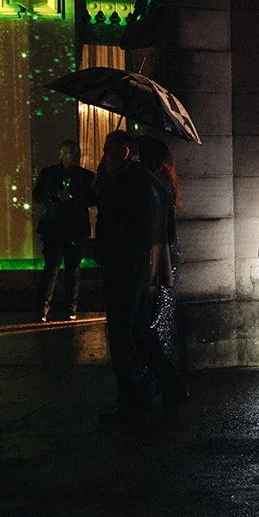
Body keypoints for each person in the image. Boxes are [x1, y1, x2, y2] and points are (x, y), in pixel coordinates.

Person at [94, 129, 181, 423]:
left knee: (123, 334)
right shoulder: (153, 182)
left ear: (124, 152)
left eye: (108, 150)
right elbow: (167, 231)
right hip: (147, 269)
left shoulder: (127, 184)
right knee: (140, 331)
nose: (104, 156)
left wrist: (105, 254)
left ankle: (134, 399)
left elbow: (117, 229)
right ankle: (170, 384)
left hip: (128, 269)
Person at [137, 137, 187, 398]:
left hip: (158, 257)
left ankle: (162, 382)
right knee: (160, 321)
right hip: (165, 256)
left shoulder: (153, 186)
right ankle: (164, 381)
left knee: (152, 322)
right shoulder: (165, 183)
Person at [32, 138, 94, 322]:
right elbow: (37, 195)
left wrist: (73, 197)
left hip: (74, 228)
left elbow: (93, 198)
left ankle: (70, 309)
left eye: (76, 152)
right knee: (51, 269)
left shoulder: (86, 176)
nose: (74, 156)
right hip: (55, 228)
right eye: (69, 153)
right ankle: (43, 310)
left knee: (72, 270)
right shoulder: (49, 174)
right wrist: (54, 195)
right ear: (62, 154)